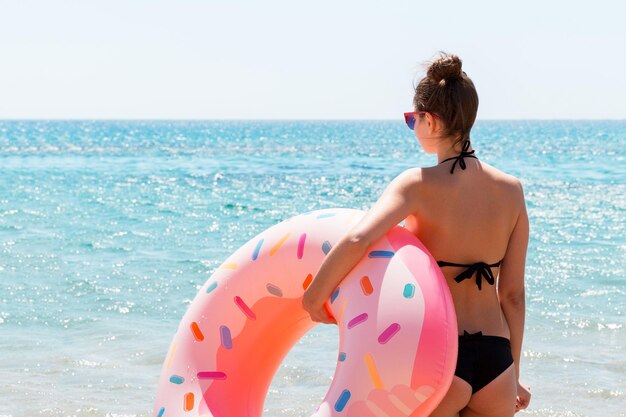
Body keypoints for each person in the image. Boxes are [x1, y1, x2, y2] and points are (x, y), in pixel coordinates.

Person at [302, 52, 531, 417]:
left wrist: (313, 298)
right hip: (497, 364)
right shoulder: (511, 190)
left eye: (412, 119)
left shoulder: (417, 185)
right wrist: (514, 374)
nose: (413, 127)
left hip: (441, 359)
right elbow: (513, 296)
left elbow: (358, 240)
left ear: (431, 120)